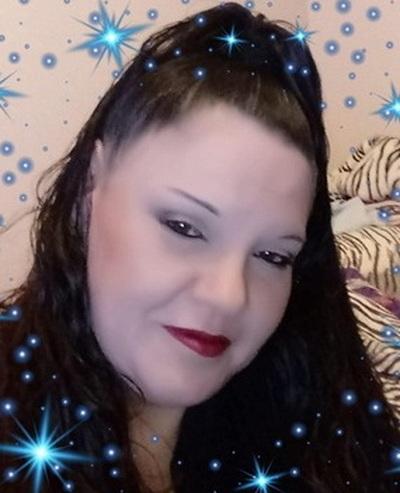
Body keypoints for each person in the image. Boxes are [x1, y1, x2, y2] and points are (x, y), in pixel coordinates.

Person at [1, 3, 400, 492]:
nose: (228, 296)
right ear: (90, 190)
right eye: (185, 227)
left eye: (273, 256)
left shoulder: (314, 432)